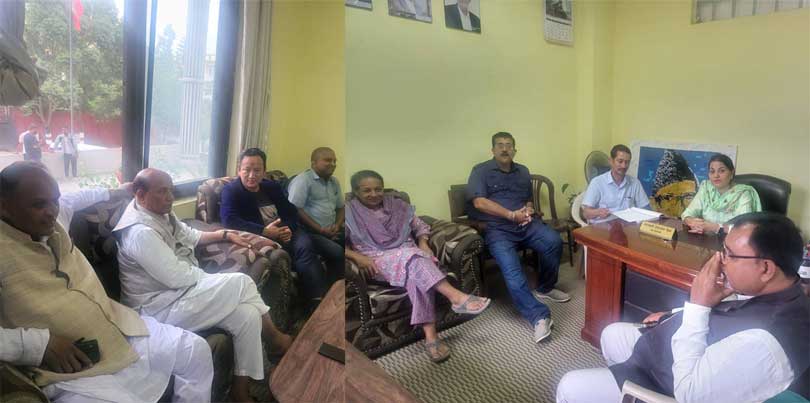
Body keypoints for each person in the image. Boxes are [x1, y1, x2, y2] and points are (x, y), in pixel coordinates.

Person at [0, 161, 214, 403]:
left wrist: (117, 191)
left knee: (195, 351)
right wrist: (38, 344)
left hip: (117, 327)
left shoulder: (57, 218)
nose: (52, 211)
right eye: (39, 204)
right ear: (4, 205)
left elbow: (76, 197)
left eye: (54, 200)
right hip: (73, 365)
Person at [556, 212, 809, 403]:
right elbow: (727, 317)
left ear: (766, 268)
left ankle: (632, 391)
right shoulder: (779, 291)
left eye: (729, 254)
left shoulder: (765, 345)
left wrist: (697, 305)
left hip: (670, 384)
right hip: (668, 352)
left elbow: (688, 392)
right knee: (610, 333)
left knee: (569, 386)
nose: (720, 260)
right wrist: (673, 315)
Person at [112, 168, 293, 403]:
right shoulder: (139, 233)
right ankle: (275, 339)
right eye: (162, 192)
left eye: (171, 190)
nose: (170, 197)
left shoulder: (159, 212)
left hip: (179, 293)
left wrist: (224, 234)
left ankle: (240, 390)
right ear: (140, 194)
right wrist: (213, 280)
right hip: (155, 310)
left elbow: (190, 235)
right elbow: (176, 276)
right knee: (241, 282)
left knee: (248, 314)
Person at [345, 170, 490, 362]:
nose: (374, 194)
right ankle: (456, 297)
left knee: (416, 274)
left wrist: (423, 243)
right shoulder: (347, 213)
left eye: (378, 189)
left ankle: (431, 338)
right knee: (415, 258)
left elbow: (421, 226)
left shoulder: (397, 205)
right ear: (356, 192)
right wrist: (357, 257)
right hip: (376, 261)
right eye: (367, 190)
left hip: (411, 255)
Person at [466, 132, 568, 343]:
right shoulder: (480, 171)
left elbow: (528, 199)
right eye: (500, 145)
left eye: (509, 145)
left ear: (514, 150)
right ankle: (539, 316)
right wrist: (510, 215)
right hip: (498, 230)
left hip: (526, 225)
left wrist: (528, 209)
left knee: (553, 242)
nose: (505, 149)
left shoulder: (523, 171)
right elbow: (479, 202)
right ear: (493, 150)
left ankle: (545, 287)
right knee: (513, 272)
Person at [221, 148, 339, 303]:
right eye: (246, 170)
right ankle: (316, 300)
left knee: (336, 252)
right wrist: (265, 231)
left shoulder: (272, 187)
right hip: (262, 236)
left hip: (287, 231)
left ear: (264, 171)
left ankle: (335, 294)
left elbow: (291, 212)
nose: (251, 175)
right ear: (239, 170)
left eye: (257, 170)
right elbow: (229, 220)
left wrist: (286, 228)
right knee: (305, 247)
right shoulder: (231, 190)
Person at [287, 147, 345, 279]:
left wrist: (337, 225)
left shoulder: (334, 182)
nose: (333, 164)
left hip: (331, 230)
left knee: (353, 242)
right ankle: (332, 288)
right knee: (337, 252)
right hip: (309, 232)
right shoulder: (303, 181)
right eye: (328, 160)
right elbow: (295, 209)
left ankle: (345, 285)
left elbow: (341, 207)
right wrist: (320, 229)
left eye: (335, 161)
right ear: (314, 163)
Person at [682, 153, 761, 235]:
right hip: (705, 239)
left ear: (731, 173)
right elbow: (687, 213)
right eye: (712, 171)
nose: (716, 175)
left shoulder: (743, 193)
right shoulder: (706, 188)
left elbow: (744, 228)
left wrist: (716, 228)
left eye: (722, 171)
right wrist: (691, 221)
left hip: (732, 240)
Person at [581, 144, 650, 223]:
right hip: (602, 226)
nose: (624, 166)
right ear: (611, 161)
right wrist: (597, 212)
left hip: (627, 227)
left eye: (627, 162)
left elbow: (646, 208)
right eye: (620, 161)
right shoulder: (597, 182)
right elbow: (585, 214)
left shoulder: (635, 183)